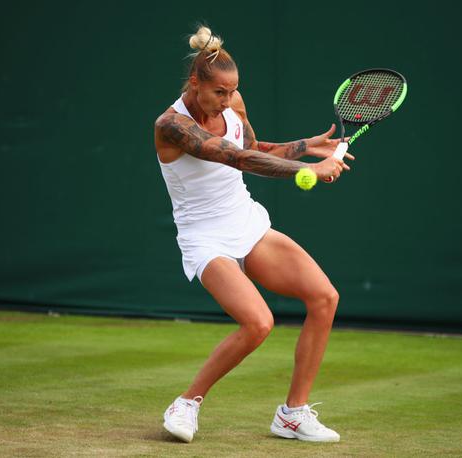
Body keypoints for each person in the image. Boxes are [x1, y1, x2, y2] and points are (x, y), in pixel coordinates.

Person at [154, 25, 354, 443]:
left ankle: (292, 414)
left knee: (325, 297)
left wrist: (305, 147)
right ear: (195, 83)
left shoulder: (233, 103)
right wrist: (308, 171)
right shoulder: (171, 125)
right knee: (259, 322)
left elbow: (256, 148)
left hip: (245, 222)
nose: (228, 101)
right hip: (205, 238)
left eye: (232, 92)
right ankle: (187, 402)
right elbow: (236, 158)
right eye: (219, 93)